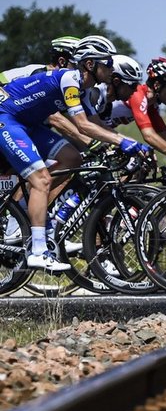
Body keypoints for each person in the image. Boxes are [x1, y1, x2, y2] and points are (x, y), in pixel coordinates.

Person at [0, 35, 152, 270]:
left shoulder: (85, 89)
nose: (111, 69)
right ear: (90, 65)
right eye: (107, 63)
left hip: (28, 123)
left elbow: (98, 126)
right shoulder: (70, 78)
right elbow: (82, 126)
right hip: (6, 119)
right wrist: (122, 142)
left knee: (72, 158)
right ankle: (37, 250)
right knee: (41, 178)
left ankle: (34, 216)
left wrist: (125, 144)